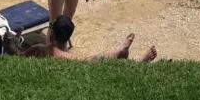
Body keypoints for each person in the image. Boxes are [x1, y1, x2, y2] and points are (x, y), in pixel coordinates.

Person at [13, 16, 157, 62]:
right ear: (69, 36)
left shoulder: (39, 49)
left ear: (52, 33)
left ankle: (123, 52)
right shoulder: (70, 58)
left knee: (93, 60)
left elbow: (19, 56)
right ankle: (127, 55)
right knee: (95, 60)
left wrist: (13, 44)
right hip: (78, 63)